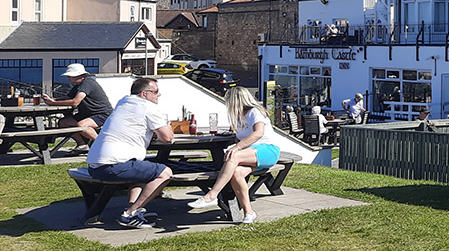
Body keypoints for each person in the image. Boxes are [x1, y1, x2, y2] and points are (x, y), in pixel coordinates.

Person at [85, 77, 174, 228]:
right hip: (114, 165)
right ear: (144, 94)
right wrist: (168, 125)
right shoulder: (148, 107)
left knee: (142, 170)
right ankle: (130, 214)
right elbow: (167, 137)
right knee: (165, 173)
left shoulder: (123, 102)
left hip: (95, 166)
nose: (158, 95)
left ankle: (133, 208)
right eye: (155, 92)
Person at [187, 87, 282, 224]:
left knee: (233, 156)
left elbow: (258, 133)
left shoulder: (254, 112)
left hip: (268, 150)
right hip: (253, 153)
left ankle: (212, 195)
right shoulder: (239, 117)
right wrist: (236, 143)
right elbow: (243, 137)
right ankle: (248, 212)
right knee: (237, 173)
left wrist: (237, 147)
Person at [43, 63, 112, 153]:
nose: (68, 78)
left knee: (82, 125)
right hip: (87, 114)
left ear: (78, 76)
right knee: (63, 123)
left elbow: (75, 101)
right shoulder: (78, 86)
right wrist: (52, 99)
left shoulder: (87, 83)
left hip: (102, 114)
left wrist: (53, 103)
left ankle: (101, 145)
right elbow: (68, 98)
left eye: (69, 76)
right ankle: (82, 144)